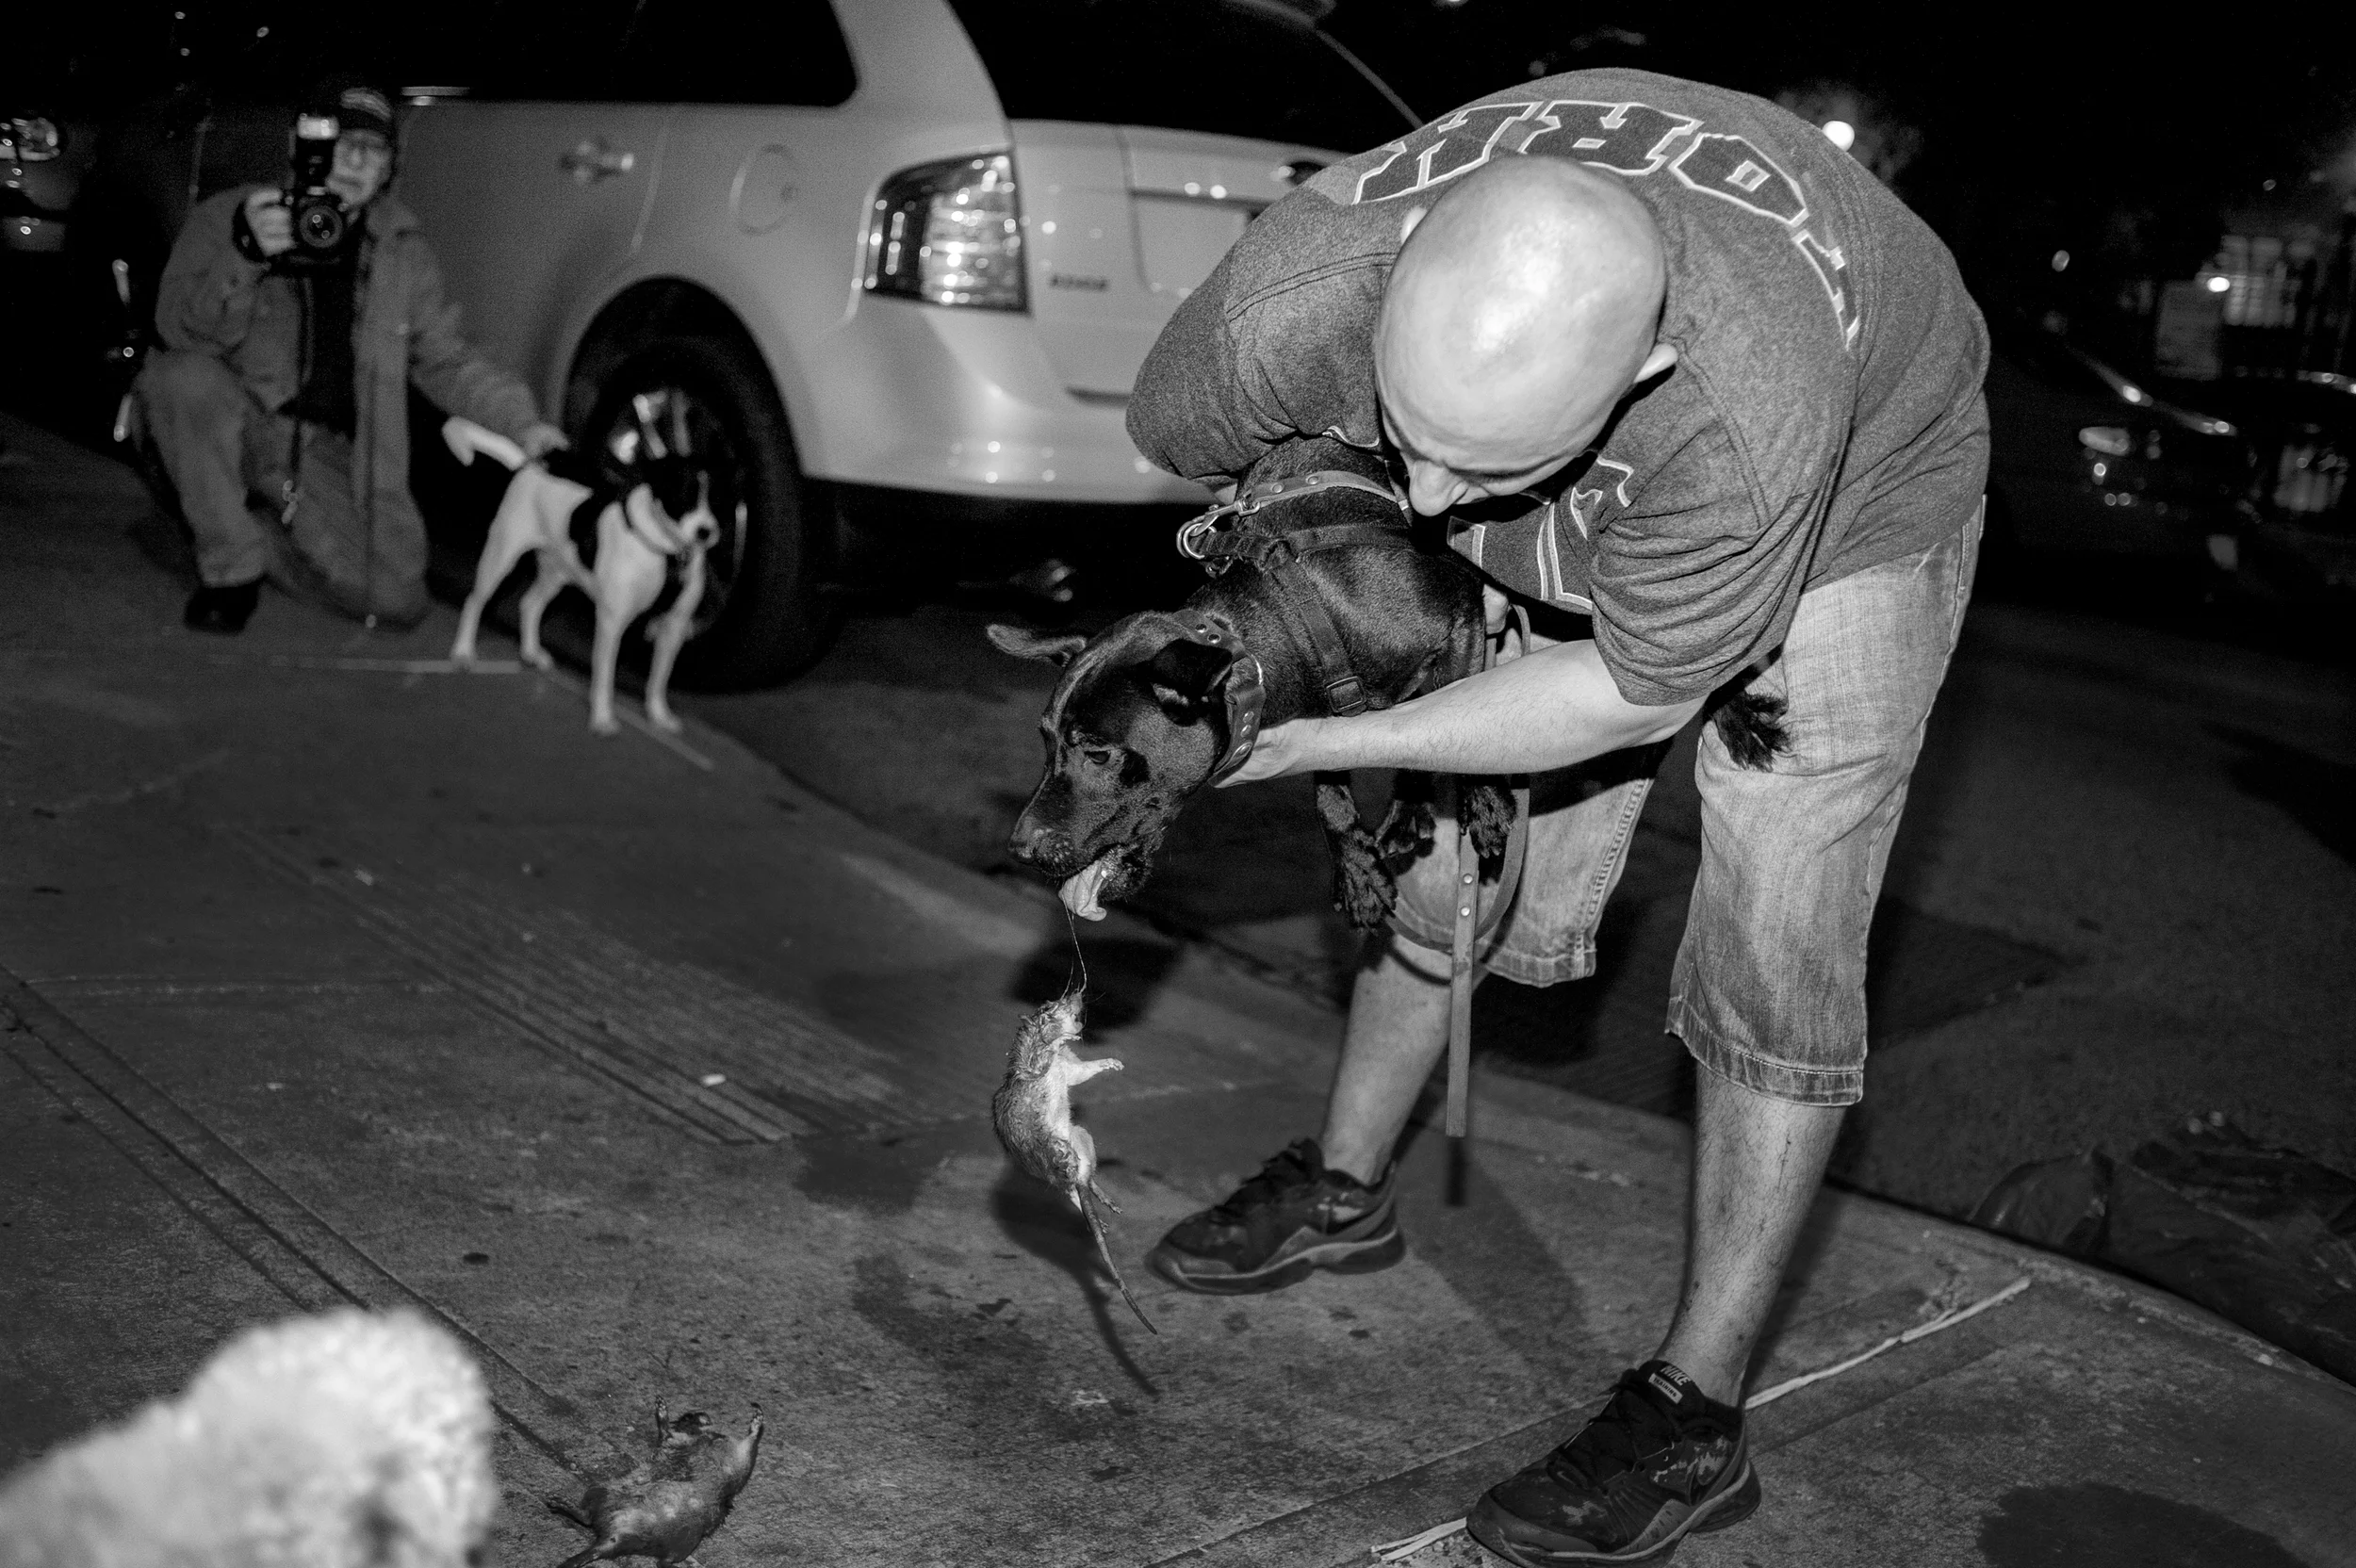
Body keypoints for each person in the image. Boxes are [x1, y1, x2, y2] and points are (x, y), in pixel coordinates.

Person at [1124, 68, 1988, 1563]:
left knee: (1775, 930)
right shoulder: (1294, 294)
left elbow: (1630, 696)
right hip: (1595, 450)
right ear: (1395, 279)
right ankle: (1343, 1182)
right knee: (1447, 853)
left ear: (1642, 371)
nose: (1430, 501)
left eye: (1481, 466)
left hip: (1864, 498)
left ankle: (1695, 1413)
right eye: (1410, 433)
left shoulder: (1747, 400)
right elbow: (1185, 453)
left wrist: (1320, 738)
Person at [132, 77, 564, 634]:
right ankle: (230, 566)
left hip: (324, 449)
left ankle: (253, 523)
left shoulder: (401, 250)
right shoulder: (235, 215)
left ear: (388, 171)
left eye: (374, 149)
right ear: (304, 149)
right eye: (342, 142)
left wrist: (524, 425)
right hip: (240, 417)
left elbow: (446, 360)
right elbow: (177, 329)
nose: (356, 161)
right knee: (180, 379)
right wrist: (245, 255)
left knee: (396, 600)